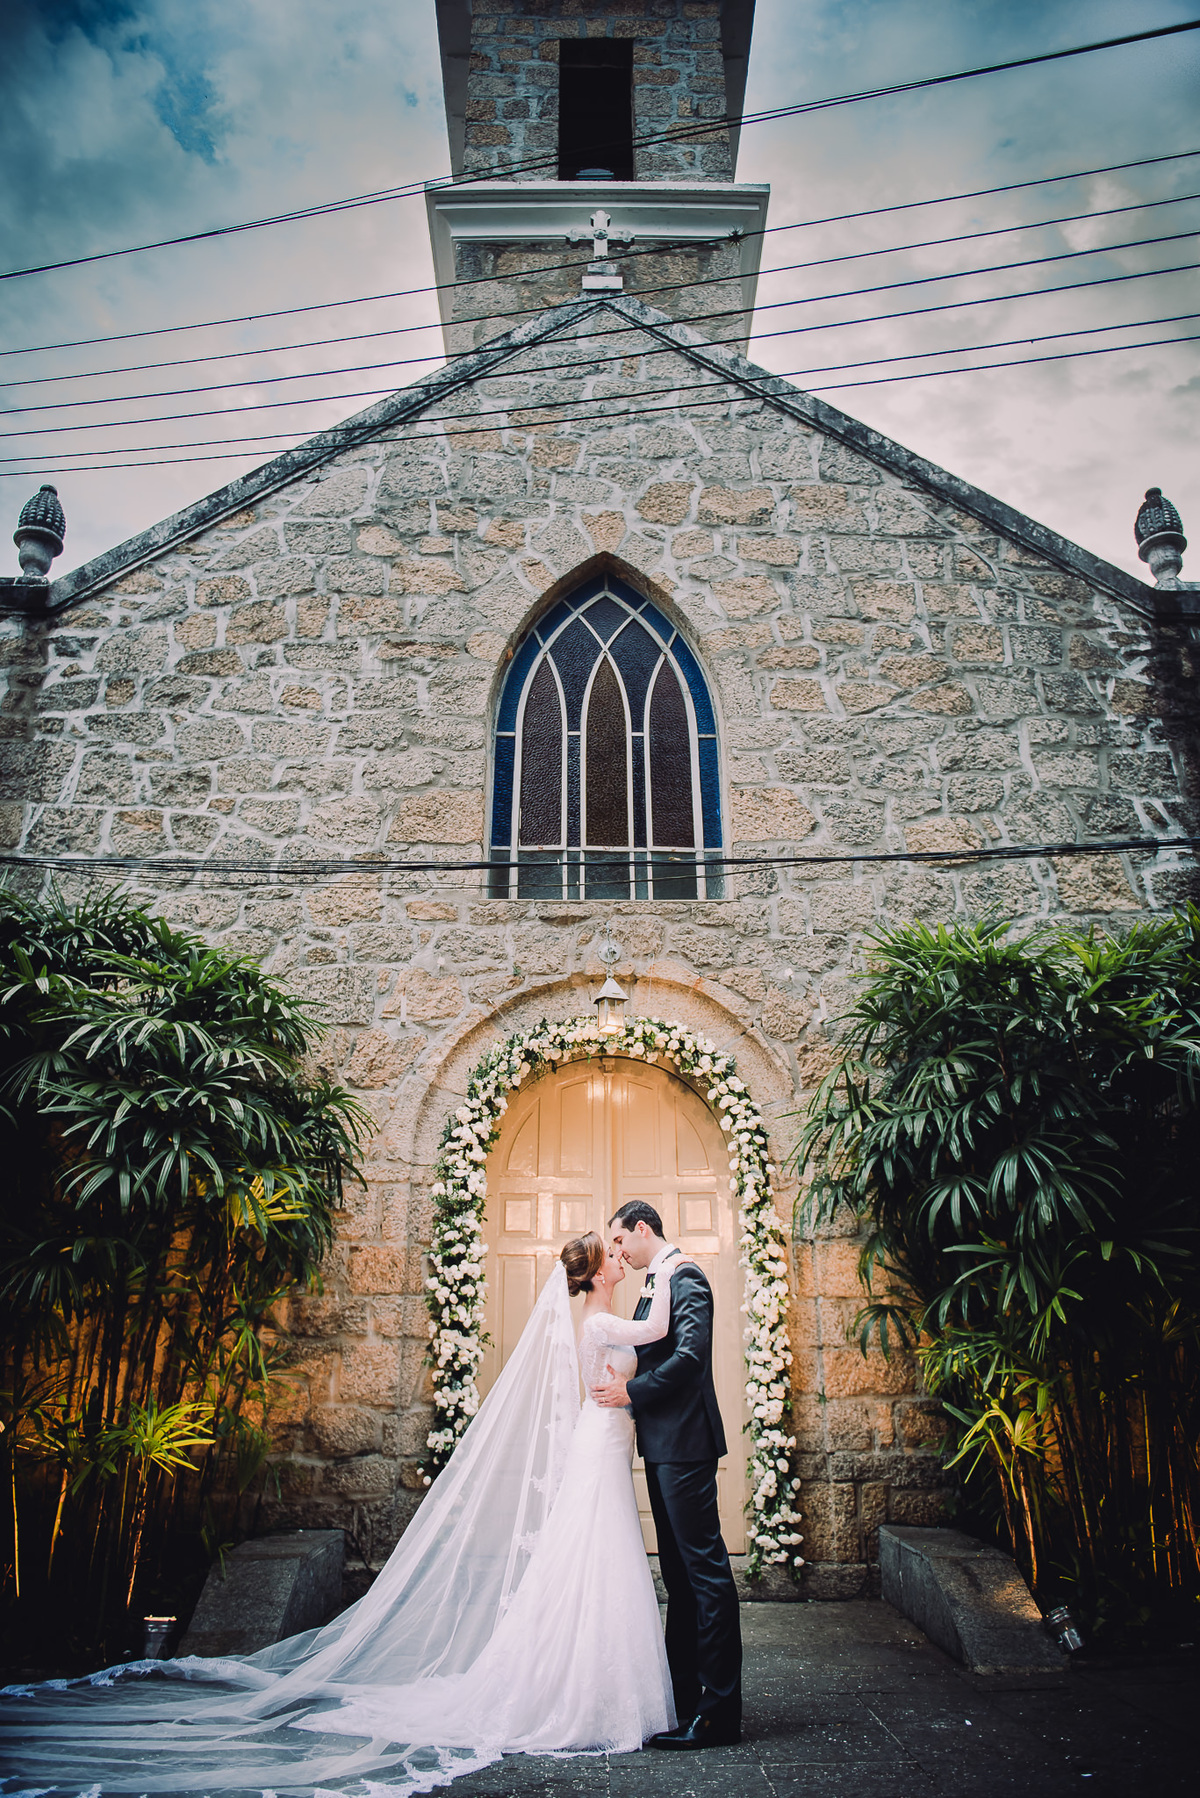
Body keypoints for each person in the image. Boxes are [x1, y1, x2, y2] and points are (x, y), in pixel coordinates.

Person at [0, 1234, 696, 1797]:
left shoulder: (593, 1315)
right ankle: (589, 1690)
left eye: (618, 1250)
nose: (617, 1256)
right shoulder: (604, 1315)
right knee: (598, 1553)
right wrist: (673, 1267)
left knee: (592, 1554)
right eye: (611, 1254)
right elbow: (658, 1327)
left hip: (602, 1435)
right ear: (596, 1274)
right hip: (603, 1436)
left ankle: (588, 1681)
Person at [593, 1200, 743, 1749]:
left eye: (620, 1243)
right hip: (661, 1445)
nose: (618, 1254)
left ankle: (720, 1712)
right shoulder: (653, 1282)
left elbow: (688, 1358)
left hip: (686, 1444)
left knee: (704, 1574)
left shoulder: (687, 1277)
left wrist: (629, 1391)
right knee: (679, 1578)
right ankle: (684, 1703)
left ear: (641, 1229)